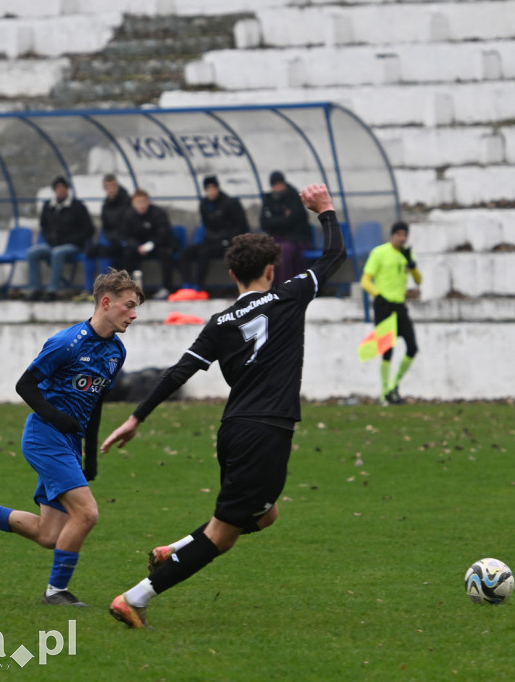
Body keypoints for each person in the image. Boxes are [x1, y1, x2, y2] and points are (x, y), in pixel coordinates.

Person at [103, 183, 345, 629]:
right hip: (266, 431)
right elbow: (333, 257)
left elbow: (176, 373)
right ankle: (134, 598)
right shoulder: (291, 295)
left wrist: (136, 418)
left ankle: (173, 550)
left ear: (233, 275)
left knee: (265, 514)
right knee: (222, 535)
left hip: (233, 430)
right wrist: (324, 210)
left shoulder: (220, 323)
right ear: (271, 271)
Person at [0, 270, 145, 606]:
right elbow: (25, 385)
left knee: (49, 534)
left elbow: (94, 405)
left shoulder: (116, 352)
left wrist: (89, 456)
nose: (134, 314)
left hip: (68, 443)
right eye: (129, 306)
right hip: (44, 436)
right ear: (106, 302)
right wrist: (57, 418)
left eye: (136, 307)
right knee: (88, 514)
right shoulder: (67, 343)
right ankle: (56, 592)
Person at [360, 221, 422, 405]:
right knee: (387, 348)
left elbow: (419, 280)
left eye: (405, 235)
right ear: (393, 235)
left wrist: (412, 264)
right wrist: (378, 295)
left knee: (412, 347)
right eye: (399, 235)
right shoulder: (379, 252)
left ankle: (393, 387)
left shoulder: (407, 255)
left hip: (400, 305)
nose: (402, 238)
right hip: (383, 305)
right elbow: (365, 281)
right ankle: (385, 392)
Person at [27, 176, 94, 301]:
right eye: (57, 188)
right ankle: (35, 289)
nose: (60, 190)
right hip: (52, 244)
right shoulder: (48, 206)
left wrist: (73, 239)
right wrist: (50, 238)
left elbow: (89, 229)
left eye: (63, 188)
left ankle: (52, 291)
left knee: (57, 253)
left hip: (73, 245)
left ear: (67, 189)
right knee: (32, 253)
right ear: (54, 190)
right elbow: (44, 226)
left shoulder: (77, 206)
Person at [178, 175, 249, 292]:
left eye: (213, 188)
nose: (210, 192)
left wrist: (224, 237)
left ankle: (198, 285)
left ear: (217, 188)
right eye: (208, 189)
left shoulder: (231, 203)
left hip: (228, 242)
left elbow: (242, 227)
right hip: (211, 241)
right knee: (186, 252)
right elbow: (207, 226)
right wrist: (212, 236)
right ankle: (187, 283)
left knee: (204, 252)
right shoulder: (204, 204)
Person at [260, 170, 312, 283]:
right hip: (276, 238)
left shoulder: (294, 197)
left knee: (283, 251)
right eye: (275, 185)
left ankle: (285, 285)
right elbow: (264, 222)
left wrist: (274, 220)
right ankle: (267, 285)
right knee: (264, 251)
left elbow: (293, 220)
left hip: (296, 238)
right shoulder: (269, 199)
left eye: (280, 184)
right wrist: (283, 217)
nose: (278, 187)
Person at [124, 189, 177, 299]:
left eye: (143, 202)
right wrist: (137, 247)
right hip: (139, 248)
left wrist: (151, 245)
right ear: (133, 203)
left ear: (148, 201)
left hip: (157, 246)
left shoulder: (158, 213)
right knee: (127, 253)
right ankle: (129, 288)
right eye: (138, 202)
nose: (141, 205)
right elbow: (127, 235)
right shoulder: (129, 215)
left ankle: (167, 288)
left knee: (166, 253)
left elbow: (164, 233)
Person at [84, 174, 133, 273]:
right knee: (90, 252)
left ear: (117, 186)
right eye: (107, 187)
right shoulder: (105, 205)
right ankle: (89, 287)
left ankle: (109, 285)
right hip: (111, 239)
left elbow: (129, 225)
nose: (111, 189)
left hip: (124, 240)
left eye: (113, 186)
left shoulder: (127, 202)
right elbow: (106, 227)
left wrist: (117, 238)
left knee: (106, 252)